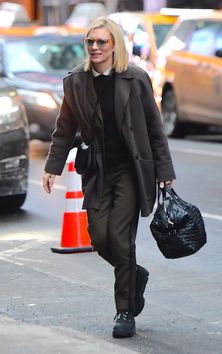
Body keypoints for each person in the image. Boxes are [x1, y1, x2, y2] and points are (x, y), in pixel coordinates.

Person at [43, 16, 176, 338]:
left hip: (131, 170)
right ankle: (134, 275)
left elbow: (154, 128)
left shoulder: (136, 78)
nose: (95, 47)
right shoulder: (76, 81)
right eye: (90, 42)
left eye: (102, 42)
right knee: (99, 238)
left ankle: (124, 310)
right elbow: (65, 129)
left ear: (115, 45)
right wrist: (52, 166)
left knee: (120, 238)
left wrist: (164, 171)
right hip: (99, 171)